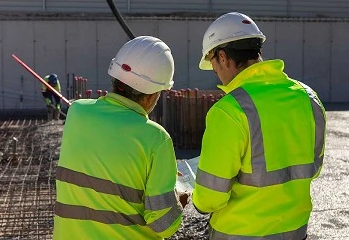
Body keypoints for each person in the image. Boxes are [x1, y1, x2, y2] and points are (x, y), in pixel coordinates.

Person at [192, 12, 326, 239]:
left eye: (214, 65)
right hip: (295, 233)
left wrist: (196, 198)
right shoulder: (309, 98)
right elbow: (313, 170)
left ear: (223, 57)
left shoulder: (229, 110)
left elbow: (209, 198)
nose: (216, 73)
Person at [53, 36, 189, 239]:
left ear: (115, 78)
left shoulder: (77, 113)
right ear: (153, 95)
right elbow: (162, 224)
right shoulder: (156, 139)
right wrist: (178, 202)